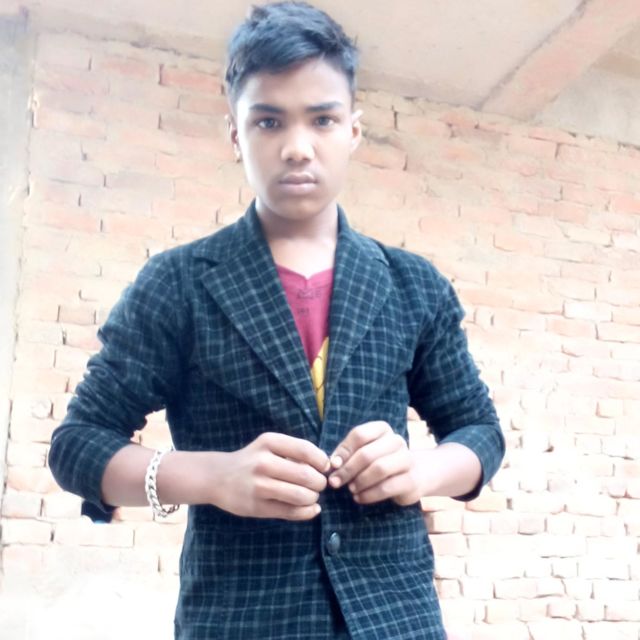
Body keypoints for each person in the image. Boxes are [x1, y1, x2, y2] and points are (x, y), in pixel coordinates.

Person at [49, 2, 505, 638]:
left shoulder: (413, 284)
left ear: (353, 130)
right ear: (236, 134)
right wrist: (213, 477)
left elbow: (479, 431)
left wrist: (419, 470)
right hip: (240, 620)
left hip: (396, 619)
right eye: (268, 121)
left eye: (322, 119)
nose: (297, 147)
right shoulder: (178, 284)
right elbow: (77, 446)